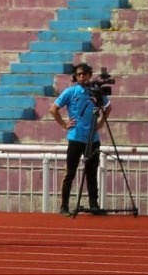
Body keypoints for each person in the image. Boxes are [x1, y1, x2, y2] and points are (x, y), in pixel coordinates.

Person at [48, 61, 112, 216]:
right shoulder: (70, 92)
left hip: (92, 138)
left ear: (90, 75)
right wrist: (64, 124)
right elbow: (53, 109)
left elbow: (108, 107)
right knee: (70, 173)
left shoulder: (96, 91)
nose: (82, 77)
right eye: (79, 74)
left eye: (84, 74)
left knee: (91, 172)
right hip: (76, 138)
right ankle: (64, 206)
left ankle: (93, 205)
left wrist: (101, 123)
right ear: (75, 77)